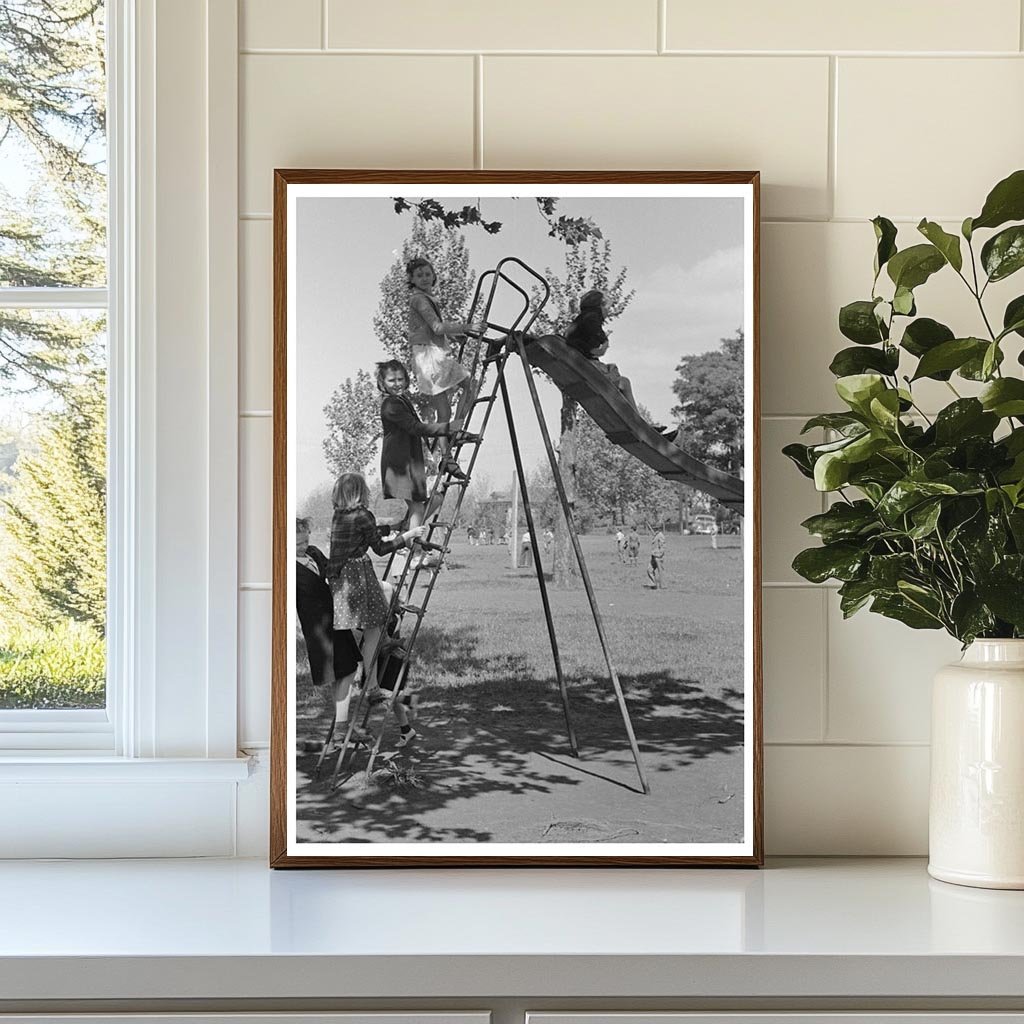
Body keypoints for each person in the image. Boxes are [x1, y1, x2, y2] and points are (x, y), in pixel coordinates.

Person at [327, 472, 425, 748]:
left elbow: (366, 532)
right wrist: (407, 536)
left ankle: (369, 682)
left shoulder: (339, 517)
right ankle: (371, 684)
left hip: (341, 583)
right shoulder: (363, 515)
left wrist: (391, 525)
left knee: (369, 631)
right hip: (359, 579)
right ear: (361, 493)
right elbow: (380, 548)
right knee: (375, 629)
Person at [564, 290, 675, 438]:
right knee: (623, 383)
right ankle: (639, 424)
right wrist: (602, 346)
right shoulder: (592, 318)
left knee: (621, 382)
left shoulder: (578, 321)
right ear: (600, 306)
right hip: (587, 370)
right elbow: (593, 347)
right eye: (608, 307)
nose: (609, 311)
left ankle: (638, 422)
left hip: (579, 369)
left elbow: (576, 343)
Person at [407, 256, 479, 476]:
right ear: (411, 279)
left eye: (428, 274)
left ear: (434, 275)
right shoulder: (419, 299)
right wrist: (469, 326)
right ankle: (455, 431)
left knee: (444, 410)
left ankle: (446, 455)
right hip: (430, 357)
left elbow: (429, 331)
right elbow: (437, 328)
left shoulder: (427, 298)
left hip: (430, 353)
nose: (425, 278)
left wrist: (455, 336)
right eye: (419, 275)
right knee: (470, 385)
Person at [295, 517, 361, 723]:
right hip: (318, 629)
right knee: (345, 672)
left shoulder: (313, 553)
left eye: (305, 541)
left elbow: (332, 569)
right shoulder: (286, 569)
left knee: (345, 672)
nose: (304, 546)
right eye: (298, 544)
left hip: (335, 619)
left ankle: (340, 725)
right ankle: (341, 726)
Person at [378, 359, 454, 534]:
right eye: (392, 380)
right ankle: (414, 548)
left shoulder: (402, 400)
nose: (397, 384)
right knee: (417, 508)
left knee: (435, 498)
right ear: (383, 383)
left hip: (410, 462)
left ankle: (406, 528)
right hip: (400, 465)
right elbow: (415, 427)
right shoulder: (391, 404)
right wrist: (446, 427)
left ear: (405, 379)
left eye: (400, 379)